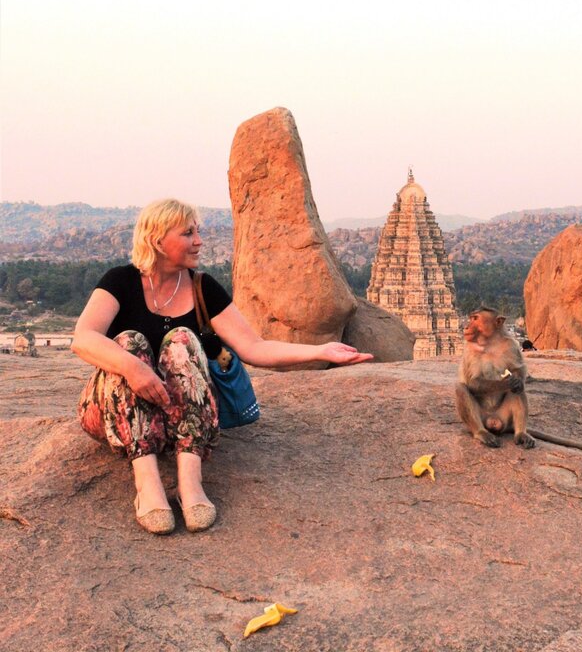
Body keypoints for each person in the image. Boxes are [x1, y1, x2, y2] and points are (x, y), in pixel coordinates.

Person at [72, 198, 373, 535]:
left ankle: (190, 483)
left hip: (177, 417)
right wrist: (134, 368)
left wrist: (321, 351)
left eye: (197, 232)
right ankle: (147, 484)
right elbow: (83, 338)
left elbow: (254, 347)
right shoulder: (120, 281)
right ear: (157, 240)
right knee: (128, 343)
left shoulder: (202, 287)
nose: (199, 240)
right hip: (119, 414)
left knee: (183, 339)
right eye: (188, 233)